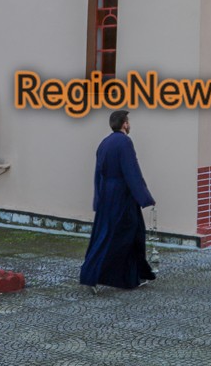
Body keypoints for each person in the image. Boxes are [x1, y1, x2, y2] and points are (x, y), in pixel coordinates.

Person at [79, 110, 156, 291]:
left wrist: (98, 198)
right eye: (128, 122)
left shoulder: (104, 143)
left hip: (107, 195)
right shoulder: (124, 142)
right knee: (119, 236)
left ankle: (132, 277)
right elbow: (131, 171)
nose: (129, 125)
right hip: (122, 195)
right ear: (124, 124)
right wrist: (145, 197)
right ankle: (92, 275)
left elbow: (98, 173)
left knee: (116, 234)